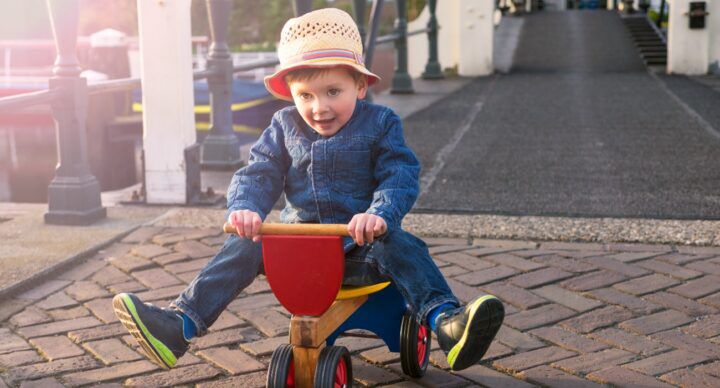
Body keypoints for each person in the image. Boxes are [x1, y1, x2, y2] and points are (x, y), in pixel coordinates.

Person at [113, 7, 504, 373]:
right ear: (291, 95)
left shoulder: (380, 123)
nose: (319, 107)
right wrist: (246, 207)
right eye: (306, 96)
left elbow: (399, 174)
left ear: (360, 86)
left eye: (333, 92)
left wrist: (379, 214)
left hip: (362, 250)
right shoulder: (284, 127)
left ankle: (445, 321)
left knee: (401, 245)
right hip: (300, 253)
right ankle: (179, 324)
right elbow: (259, 172)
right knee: (244, 246)